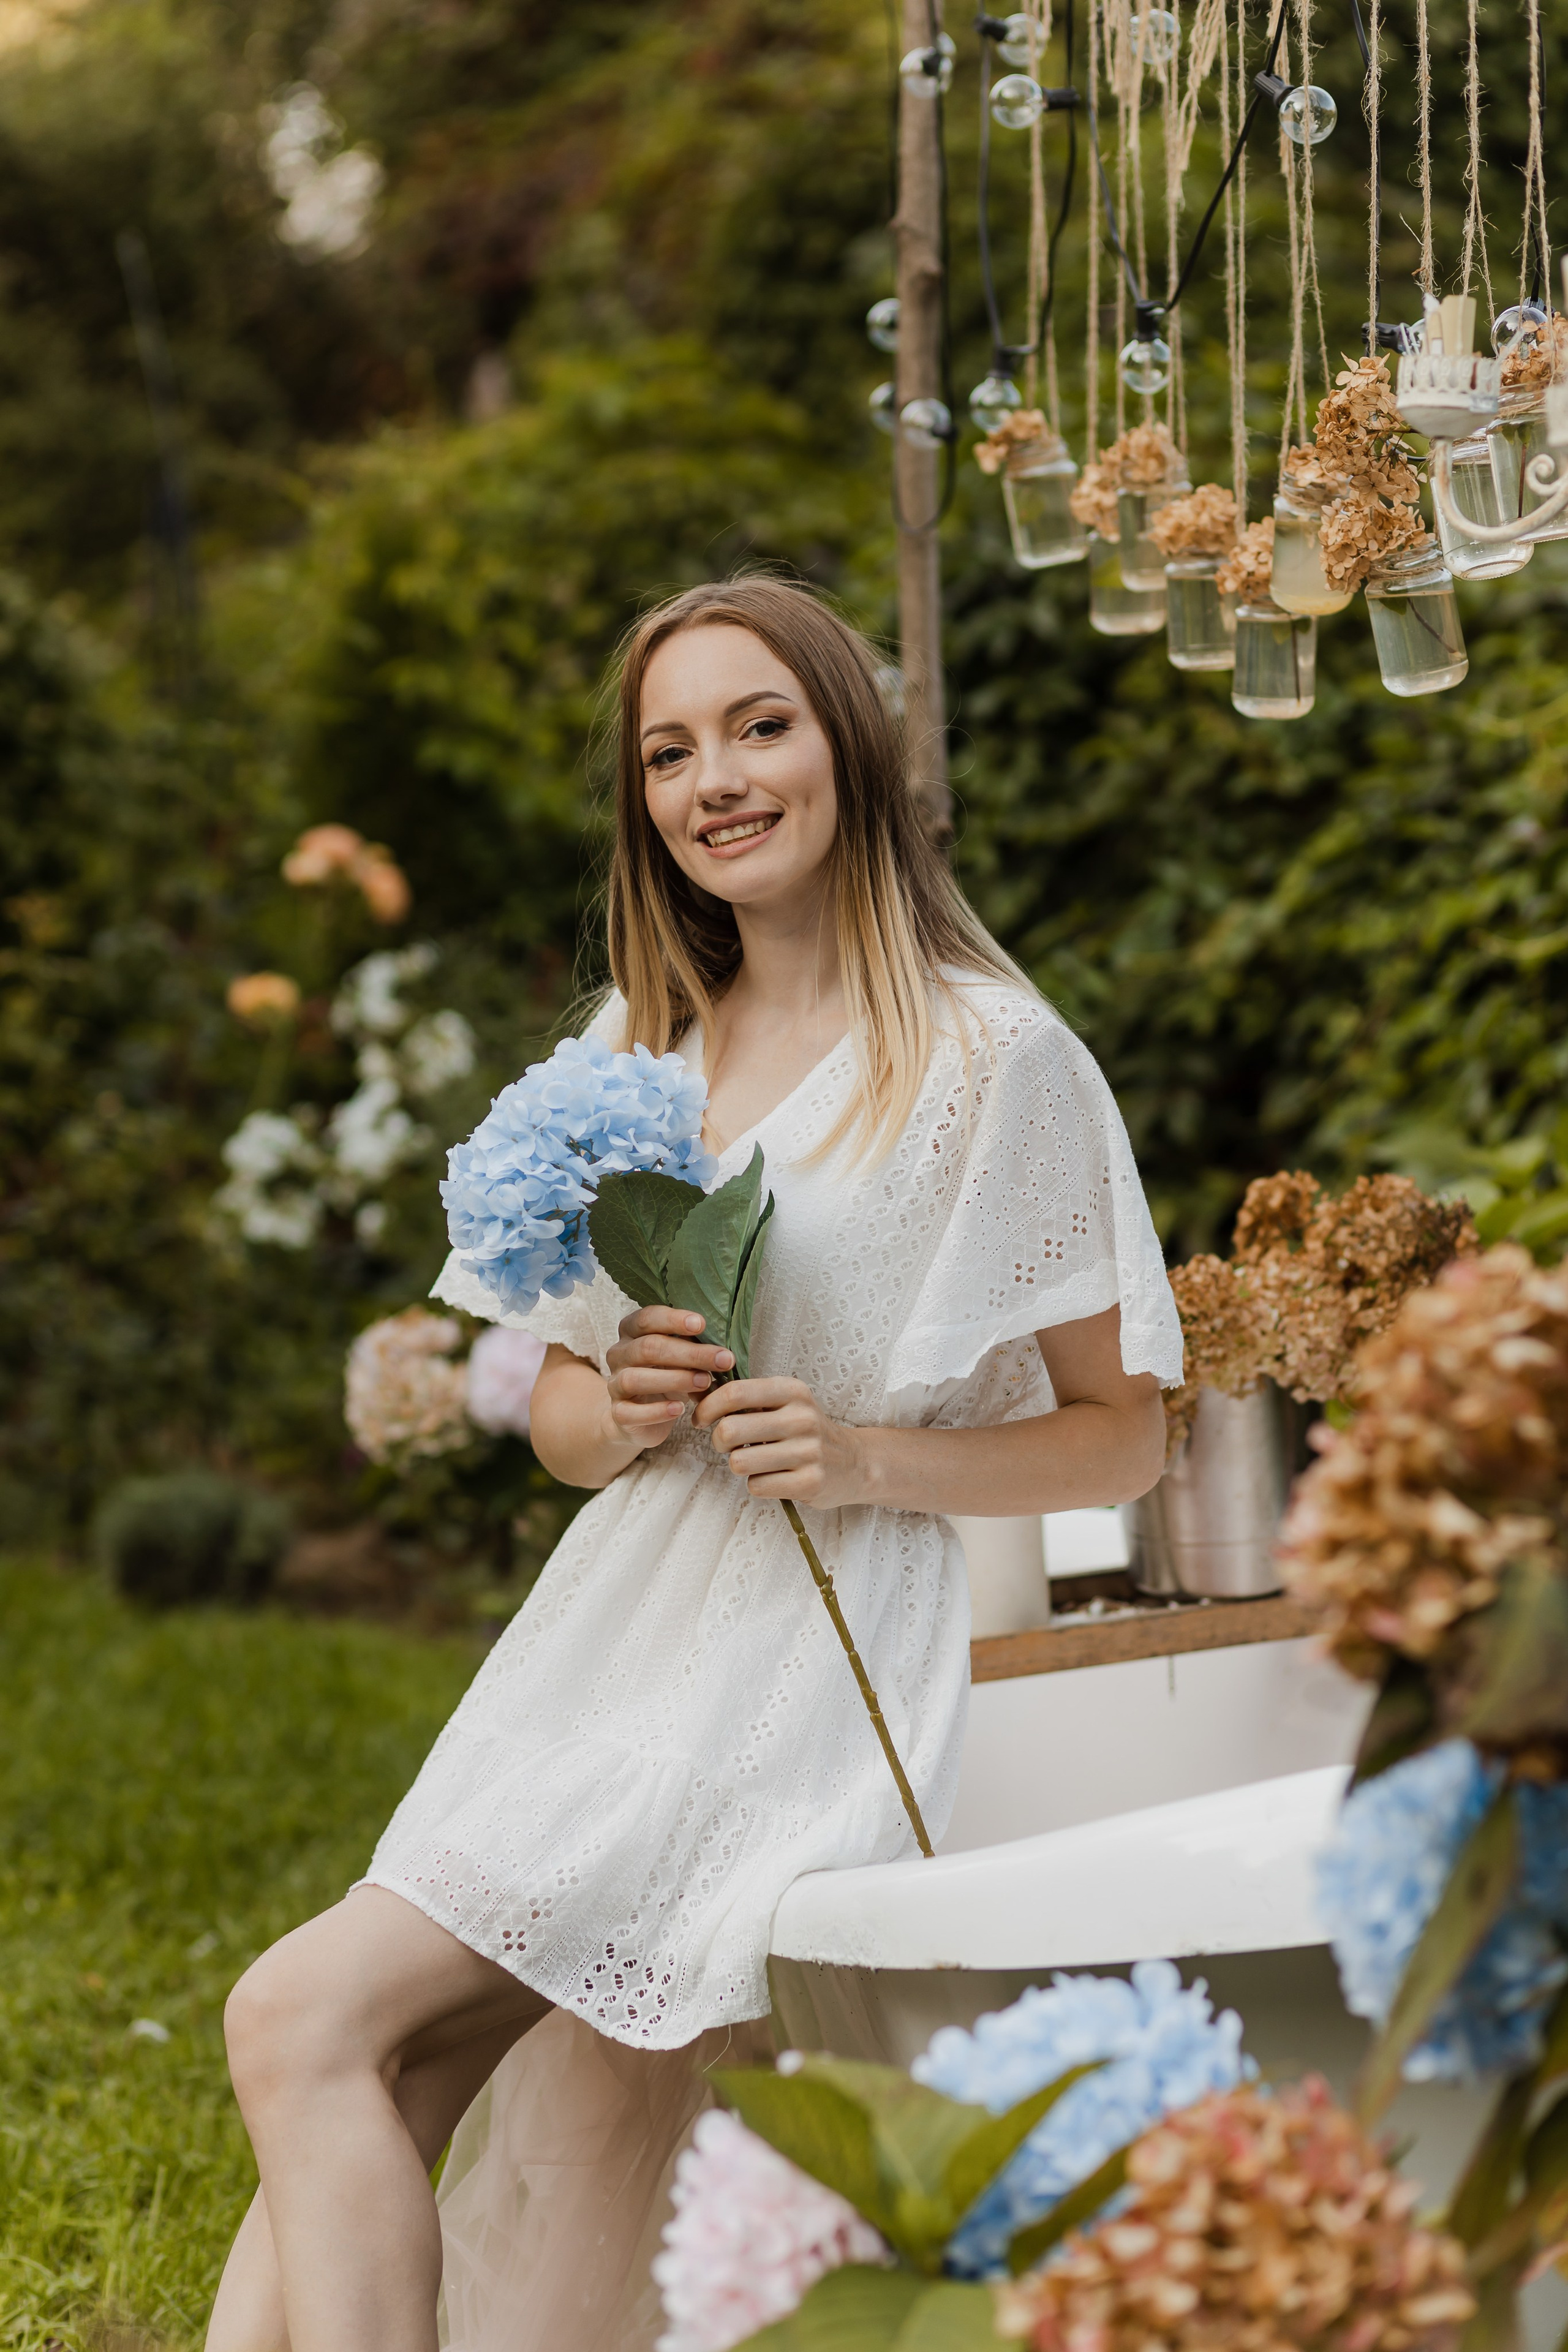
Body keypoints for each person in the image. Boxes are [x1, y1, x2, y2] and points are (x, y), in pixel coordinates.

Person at [208, 578, 1182, 2352]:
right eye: (670, 750)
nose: (712, 778)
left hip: (792, 1668)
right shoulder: (636, 1048)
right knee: (384, 2077)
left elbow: (1132, 1428)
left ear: (847, 747)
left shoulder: (990, 1059)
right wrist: (629, 1398)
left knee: (299, 2018)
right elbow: (566, 1420)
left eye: (758, 727)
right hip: (608, 1631)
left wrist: (869, 1450)